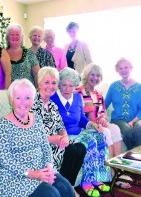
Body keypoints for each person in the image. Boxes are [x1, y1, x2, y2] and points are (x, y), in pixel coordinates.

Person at [0, 79, 75, 197]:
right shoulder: (3, 125)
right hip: (16, 177)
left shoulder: (36, 119)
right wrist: (32, 174)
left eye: (27, 98)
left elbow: (45, 147)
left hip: (41, 170)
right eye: (18, 98)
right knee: (52, 194)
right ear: (11, 100)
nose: (23, 102)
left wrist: (49, 168)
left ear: (32, 99)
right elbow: (4, 160)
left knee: (66, 189)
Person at [51, 67, 111, 197]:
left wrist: (93, 125)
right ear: (59, 84)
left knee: (101, 136)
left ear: (75, 86)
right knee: (89, 142)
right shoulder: (53, 98)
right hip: (65, 135)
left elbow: (82, 118)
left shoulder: (78, 97)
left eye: (71, 86)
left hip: (78, 131)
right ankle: (87, 182)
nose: (67, 89)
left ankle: (97, 178)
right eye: (64, 85)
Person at [31, 67, 86, 192]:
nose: (50, 86)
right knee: (72, 150)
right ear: (39, 83)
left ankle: (68, 186)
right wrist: (52, 139)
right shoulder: (32, 104)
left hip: (57, 144)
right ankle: (63, 188)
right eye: (47, 82)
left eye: (54, 83)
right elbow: (30, 137)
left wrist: (64, 135)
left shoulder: (52, 105)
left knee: (80, 148)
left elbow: (61, 126)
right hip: (42, 148)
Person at [76, 63, 123, 157]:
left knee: (115, 128)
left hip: (99, 124)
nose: (95, 78)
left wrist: (102, 119)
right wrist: (95, 123)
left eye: (98, 75)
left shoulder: (99, 94)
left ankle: (118, 164)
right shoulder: (78, 92)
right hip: (86, 126)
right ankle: (110, 169)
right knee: (106, 132)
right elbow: (79, 116)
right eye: (92, 74)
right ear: (86, 75)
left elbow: (102, 112)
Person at [105, 58, 141, 150]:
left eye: (126, 67)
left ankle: (139, 155)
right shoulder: (113, 86)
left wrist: (132, 122)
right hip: (119, 119)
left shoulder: (140, 87)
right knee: (126, 130)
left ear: (131, 68)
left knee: (138, 129)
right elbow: (104, 104)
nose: (123, 70)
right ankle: (135, 153)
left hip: (138, 118)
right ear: (117, 70)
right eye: (120, 68)